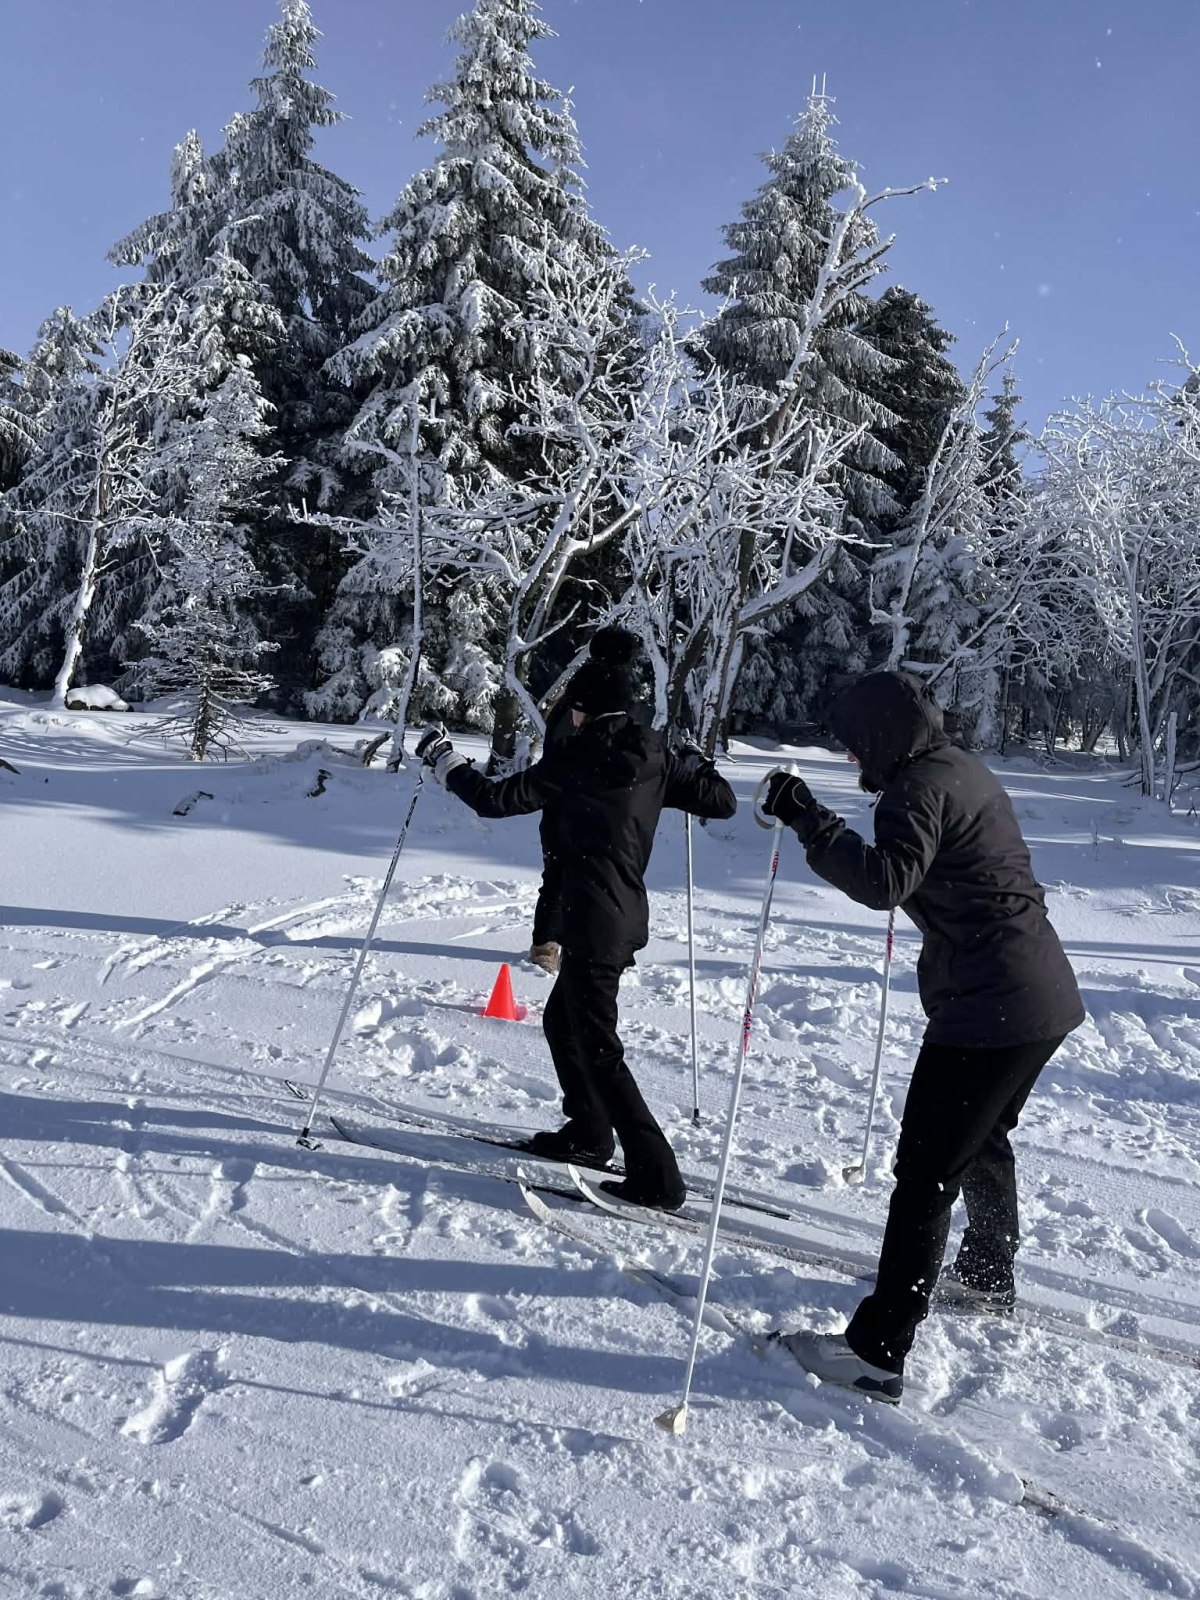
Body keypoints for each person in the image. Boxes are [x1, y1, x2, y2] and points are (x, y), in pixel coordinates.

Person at [761, 669, 1084, 1405]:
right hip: (1039, 994)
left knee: (926, 1172)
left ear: (881, 736)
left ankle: (877, 1351)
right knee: (982, 1137)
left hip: (990, 1004)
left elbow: (886, 882)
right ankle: (986, 1274)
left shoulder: (916, 788)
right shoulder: (957, 766)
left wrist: (810, 819)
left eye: (854, 744)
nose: (851, 758)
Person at [416, 634, 736, 1211]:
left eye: (575, 710)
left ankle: (657, 1174)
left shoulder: (579, 757)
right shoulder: (655, 755)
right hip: (618, 914)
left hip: (592, 919)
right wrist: (692, 759)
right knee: (564, 1023)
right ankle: (589, 1132)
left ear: (585, 710)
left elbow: (495, 800)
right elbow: (721, 801)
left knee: (597, 1045)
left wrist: (446, 763)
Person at [528, 630, 643, 977]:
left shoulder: (610, 694)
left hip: (593, 806)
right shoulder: (587, 695)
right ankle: (546, 945)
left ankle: (571, 943)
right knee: (560, 874)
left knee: (581, 877)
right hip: (567, 802)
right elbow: (564, 750)